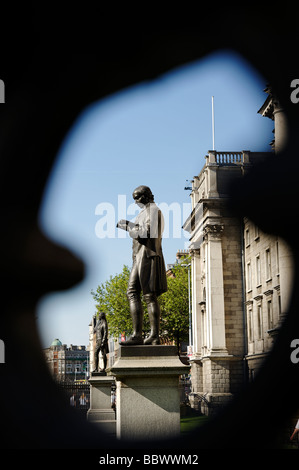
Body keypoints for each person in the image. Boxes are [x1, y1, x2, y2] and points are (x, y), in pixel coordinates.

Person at [117, 185, 167, 345]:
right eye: (134, 198)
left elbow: (146, 233)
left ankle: (154, 335)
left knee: (149, 296)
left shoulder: (153, 210)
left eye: (138, 197)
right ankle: (137, 335)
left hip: (148, 256)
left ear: (147, 196)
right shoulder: (143, 212)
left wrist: (127, 226)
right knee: (132, 292)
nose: (136, 201)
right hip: (139, 257)